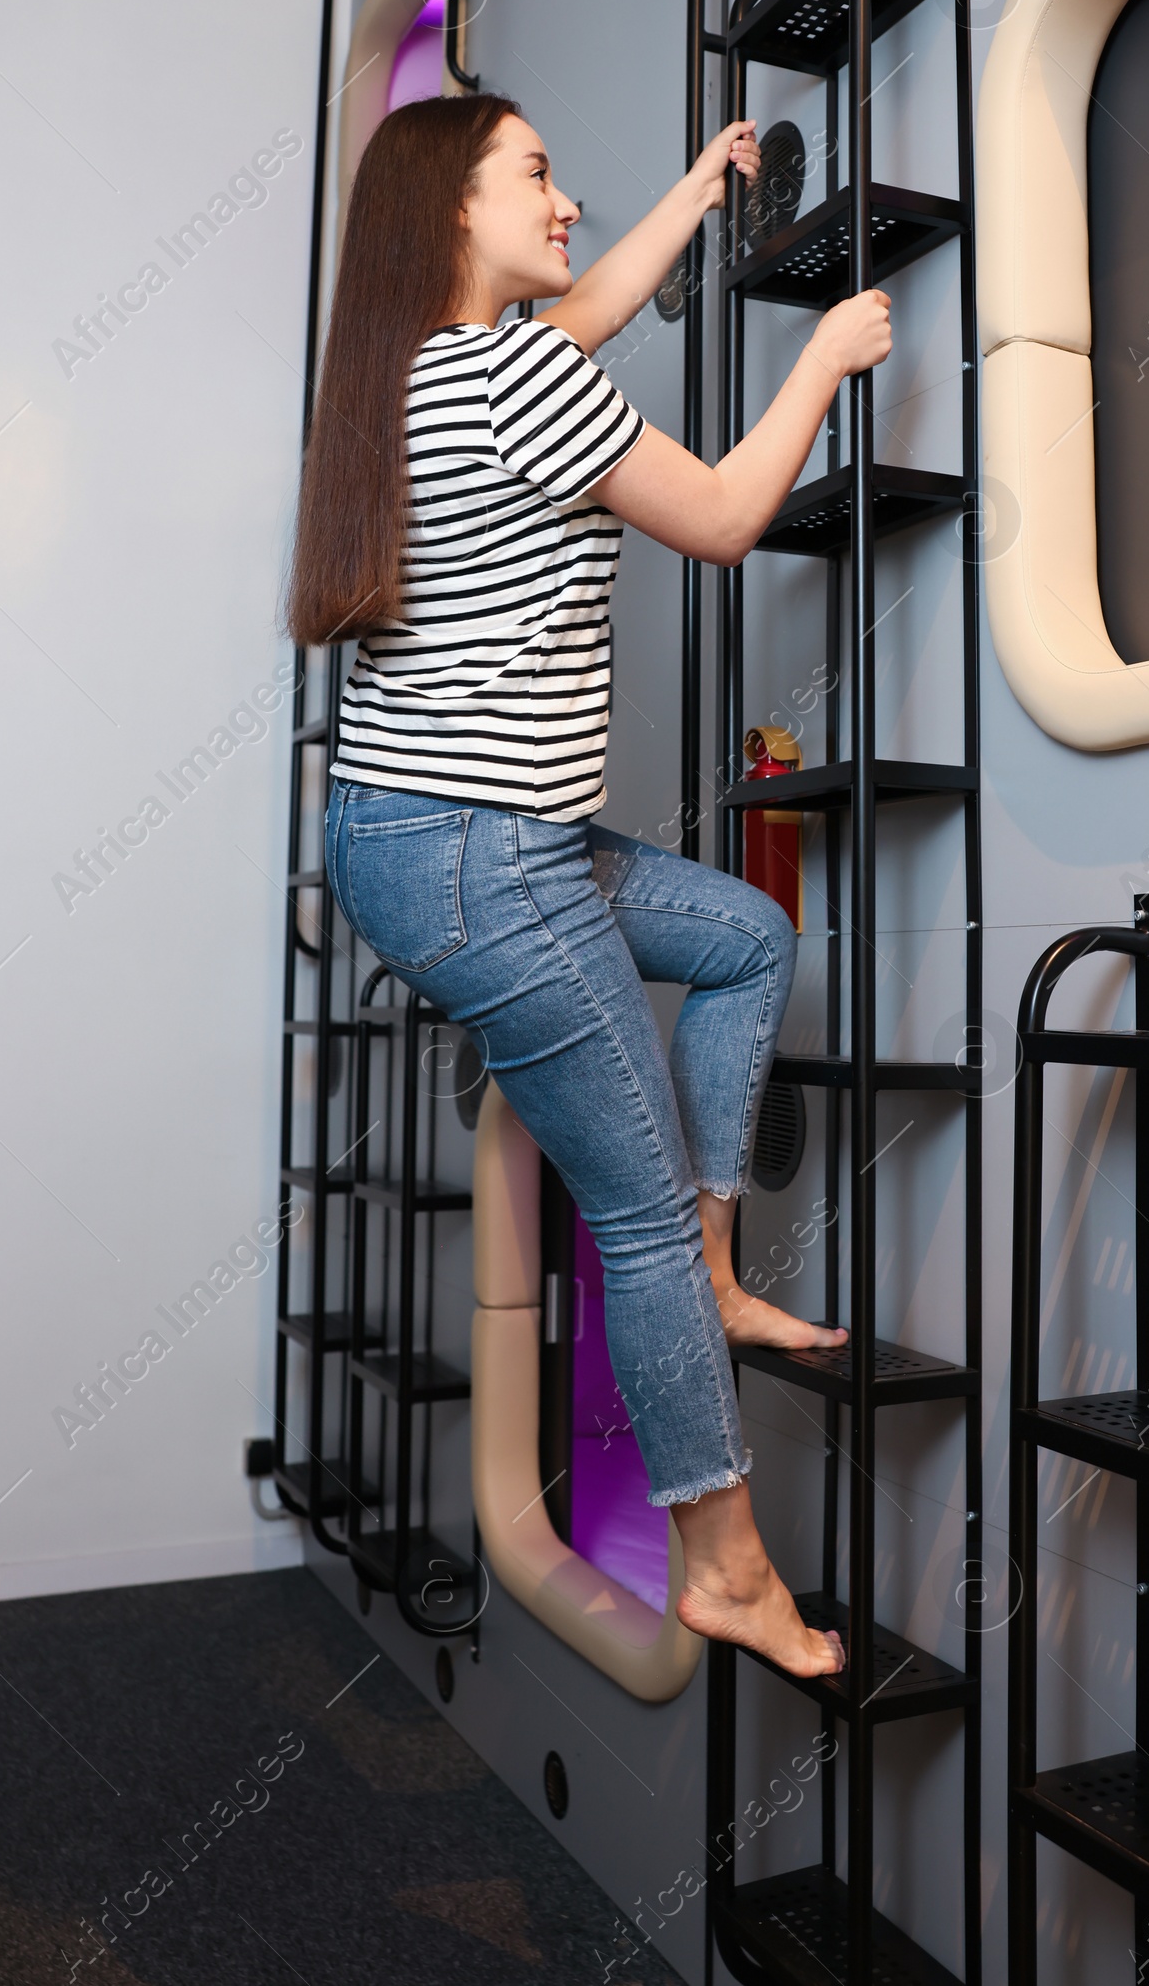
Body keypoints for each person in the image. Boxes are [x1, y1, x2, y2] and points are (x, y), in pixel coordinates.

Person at [287, 92, 891, 1679]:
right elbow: (724, 518)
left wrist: (699, 192)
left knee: (749, 938)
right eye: (538, 177)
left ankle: (708, 1265)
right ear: (454, 217)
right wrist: (821, 362)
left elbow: (589, 313)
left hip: (429, 840)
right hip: (487, 857)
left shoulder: (422, 369)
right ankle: (724, 1557)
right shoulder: (512, 372)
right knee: (623, 1208)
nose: (565, 204)